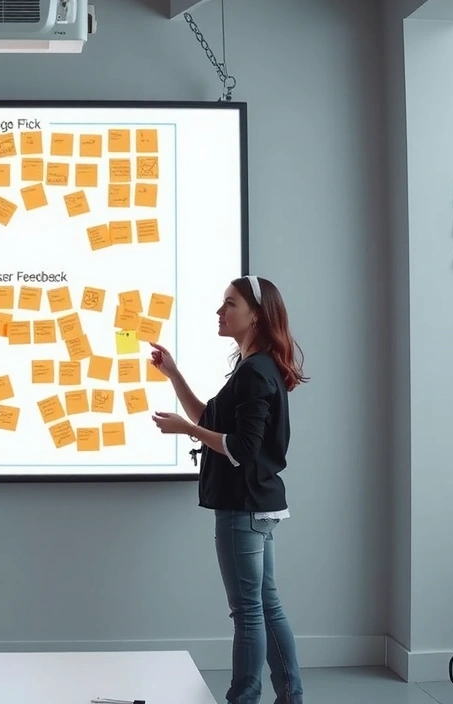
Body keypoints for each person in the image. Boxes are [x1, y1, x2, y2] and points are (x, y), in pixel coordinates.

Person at [150, 275, 307, 704]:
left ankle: (244, 698)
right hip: (257, 505)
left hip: (244, 508)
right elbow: (210, 419)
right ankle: (290, 696)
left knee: (248, 612)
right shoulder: (251, 367)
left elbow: (241, 448)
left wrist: (187, 430)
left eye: (229, 304)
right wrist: (173, 373)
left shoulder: (256, 372)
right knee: (265, 605)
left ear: (255, 314)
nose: (220, 313)